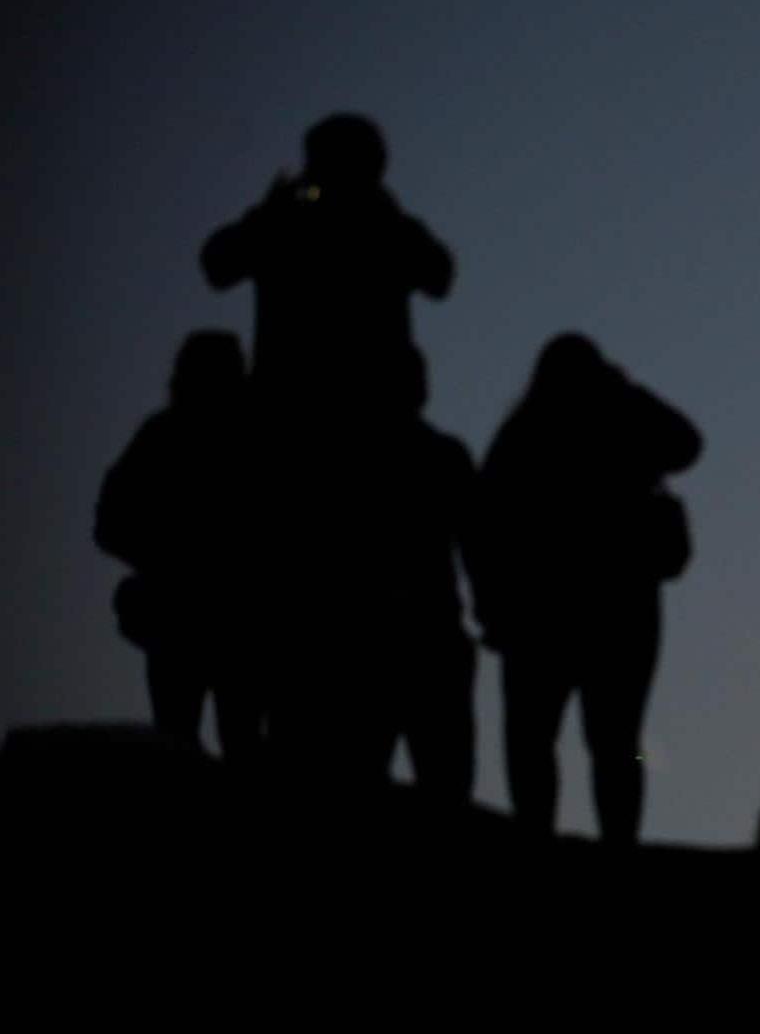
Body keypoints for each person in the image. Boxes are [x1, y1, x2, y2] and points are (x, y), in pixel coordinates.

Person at [468, 334, 701, 843]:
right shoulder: (577, 426)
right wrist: (627, 393)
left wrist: (491, 607)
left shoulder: (524, 432)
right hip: (604, 608)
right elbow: (685, 442)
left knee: (556, 739)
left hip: (553, 611)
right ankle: (609, 839)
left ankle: (549, 833)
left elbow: (687, 444)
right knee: (607, 739)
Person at [254, 344, 476, 798]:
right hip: (406, 635)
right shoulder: (437, 456)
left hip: (376, 636)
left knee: (369, 776)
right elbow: (482, 544)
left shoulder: (338, 461)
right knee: (434, 778)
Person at [201, 113, 453, 411]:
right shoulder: (288, 218)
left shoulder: (383, 224)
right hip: (304, 402)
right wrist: (270, 214)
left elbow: (439, 276)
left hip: (367, 406)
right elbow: (217, 265)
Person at [96, 330, 263, 760]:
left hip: (236, 617)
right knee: (177, 742)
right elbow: (109, 523)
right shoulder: (164, 436)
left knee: (235, 742)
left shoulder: (250, 437)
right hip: (183, 616)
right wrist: (165, 561)